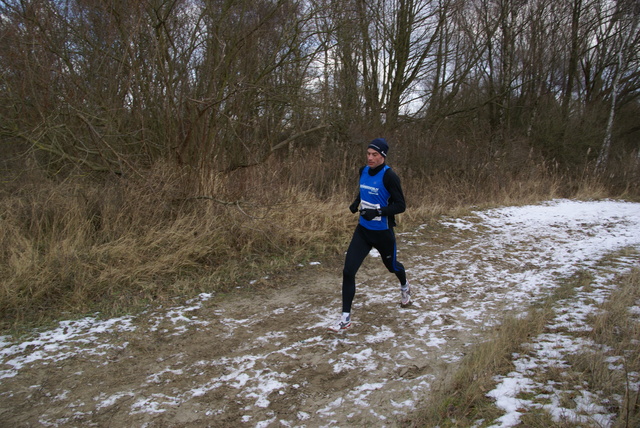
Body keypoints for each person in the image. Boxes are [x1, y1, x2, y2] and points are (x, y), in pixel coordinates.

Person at [328, 138, 410, 332]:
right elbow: (364, 190)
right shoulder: (363, 171)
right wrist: (357, 202)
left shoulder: (390, 176)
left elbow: (401, 206)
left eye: (374, 155)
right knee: (348, 271)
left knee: (392, 267)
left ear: (383, 156)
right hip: (363, 231)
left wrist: (379, 211)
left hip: (382, 233)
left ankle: (405, 286)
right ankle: (345, 319)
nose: (370, 158)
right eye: (368, 154)